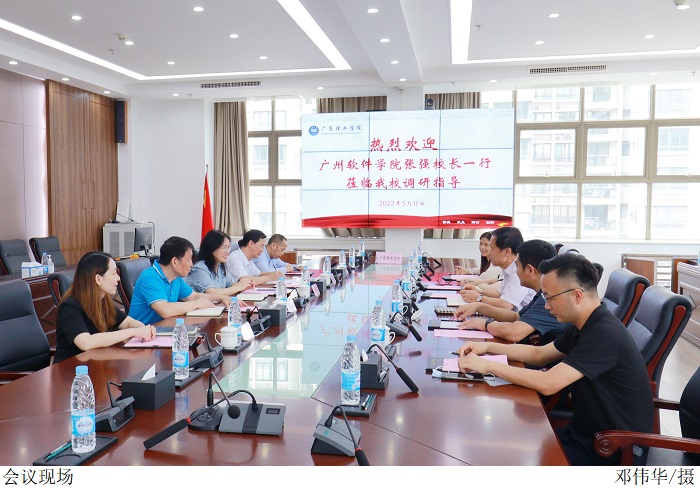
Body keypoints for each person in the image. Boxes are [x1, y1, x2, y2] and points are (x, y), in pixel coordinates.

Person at [457, 253, 654, 465]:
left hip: (612, 449)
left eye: (550, 298)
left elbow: (548, 383)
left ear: (577, 296)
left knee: (505, 455)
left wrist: (487, 365)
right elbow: (539, 355)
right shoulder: (584, 324)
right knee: (502, 440)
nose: (547, 306)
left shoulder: (603, 334)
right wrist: (487, 347)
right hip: (585, 433)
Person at [454, 239, 569, 345]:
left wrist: (485, 324)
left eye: (517, 267)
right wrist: (479, 306)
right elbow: (515, 316)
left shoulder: (550, 299)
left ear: (530, 270)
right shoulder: (541, 294)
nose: (516, 272)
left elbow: (513, 333)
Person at [55, 252, 156, 363]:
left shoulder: (103, 301)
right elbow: (86, 342)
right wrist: (133, 332)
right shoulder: (69, 307)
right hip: (72, 368)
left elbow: (127, 323)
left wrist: (143, 329)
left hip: (98, 363)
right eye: (114, 273)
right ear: (98, 279)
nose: (118, 278)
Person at [128, 236, 230, 325]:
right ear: (174, 261)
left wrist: (220, 298)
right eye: (188, 259)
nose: (191, 264)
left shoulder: (175, 278)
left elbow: (193, 296)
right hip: (142, 335)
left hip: (164, 329)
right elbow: (164, 310)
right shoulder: (150, 277)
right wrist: (197, 304)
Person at [459, 226, 535, 311]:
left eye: (492, 248)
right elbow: (500, 294)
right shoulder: (509, 268)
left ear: (507, 252)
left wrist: (478, 297)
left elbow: (507, 304)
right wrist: (478, 292)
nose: (489, 252)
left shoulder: (519, 271)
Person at [187, 230, 255, 296]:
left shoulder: (220, 266)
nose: (227, 251)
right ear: (211, 248)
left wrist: (245, 285)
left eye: (228, 247)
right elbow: (212, 293)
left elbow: (231, 285)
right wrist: (239, 287)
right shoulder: (199, 268)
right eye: (224, 247)